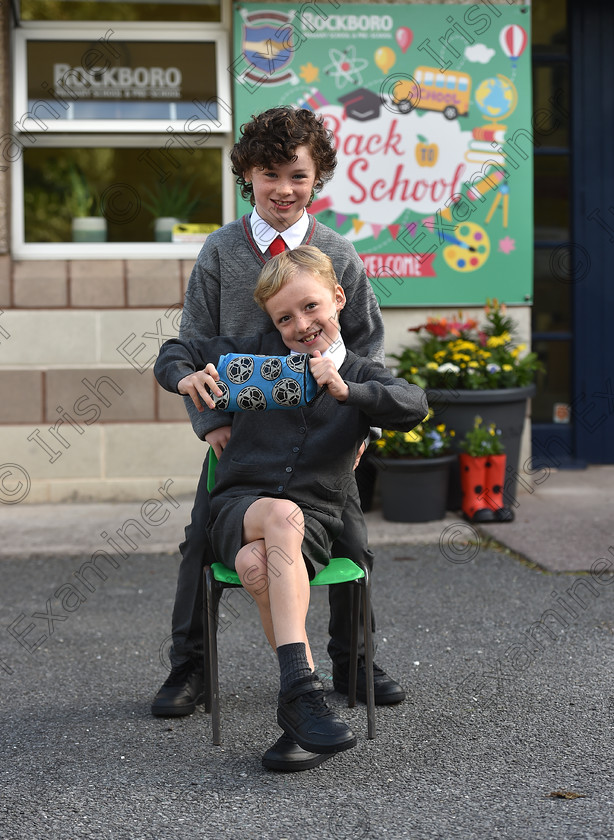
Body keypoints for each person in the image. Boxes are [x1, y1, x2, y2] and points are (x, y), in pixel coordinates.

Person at [151, 106, 404, 771]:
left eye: (298, 174)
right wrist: (212, 422)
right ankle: (191, 670)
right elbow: (193, 342)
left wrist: (361, 419)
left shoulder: (340, 254)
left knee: (354, 544)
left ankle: (352, 666)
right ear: (248, 176)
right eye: (270, 175)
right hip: (244, 437)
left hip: (325, 436)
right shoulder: (221, 252)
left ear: (316, 177)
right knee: (200, 545)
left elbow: (371, 343)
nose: (284, 189)